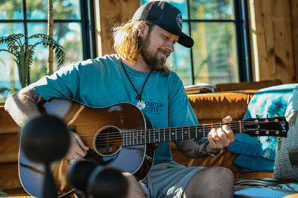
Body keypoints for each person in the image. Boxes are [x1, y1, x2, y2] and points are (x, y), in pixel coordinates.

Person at [5, 1, 235, 197]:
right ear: (141, 29)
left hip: (162, 171)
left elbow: (188, 144)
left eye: (174, 42)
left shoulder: (170, 82)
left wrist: (211, 145)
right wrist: (60, 139)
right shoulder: (89, 71)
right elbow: (17, 100)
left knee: (221, 177)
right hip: (104, 174)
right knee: (126, 186)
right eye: (165, 37)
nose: (170, 48)